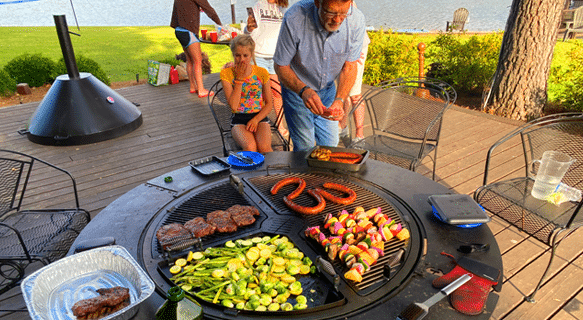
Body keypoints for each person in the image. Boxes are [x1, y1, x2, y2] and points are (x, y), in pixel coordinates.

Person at [273, 0, 366, 151]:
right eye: (330, 12)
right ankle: (303, 174)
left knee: (330, 145)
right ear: (318, 3)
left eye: (343, 13)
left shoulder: (356, 20)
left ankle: (325, 175)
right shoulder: (295, 17)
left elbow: (350, 66)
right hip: (297, 91)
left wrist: (340, 99)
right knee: (305, 148)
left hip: (328, 91)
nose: (337, 19)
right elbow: (281, 65)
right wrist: (303, 91)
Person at [220, 34, 274, 153]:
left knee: (264, 148)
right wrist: (239, 80)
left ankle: (271, 171)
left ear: (251, 55)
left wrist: (256, 120)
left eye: (246, 55)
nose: (242, 59)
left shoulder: (261, 72)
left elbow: (269, 103)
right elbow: (233, 106)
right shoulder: (227, 74)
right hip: (239, 119)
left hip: (259, 117)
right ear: (233, 55)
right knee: (250, 147)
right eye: (237, 55)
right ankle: (251, 171)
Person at [245, 0, 289, 137]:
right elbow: (247, 32)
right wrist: (248, 28)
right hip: (258, 56)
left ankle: (280, 125)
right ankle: (254, 124)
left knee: (277, 92)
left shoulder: (282, 8)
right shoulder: (258, 6)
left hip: (276, 57)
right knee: (257, 92)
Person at [170, 0, 221, 98]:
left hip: (179, 30)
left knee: (190, 60)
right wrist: (220, 24)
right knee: (198, 61)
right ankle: (201, 90)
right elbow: (209, 9)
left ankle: (193, 86)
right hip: (189, 31)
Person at [339, 2, 369, 145]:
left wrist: (353, 53)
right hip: (339, 49)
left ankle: (359, 135)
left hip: (356, 46)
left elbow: (352, 26)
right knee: (341, 89)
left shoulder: (350, 8)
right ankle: (342, 127)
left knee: (354, 93)